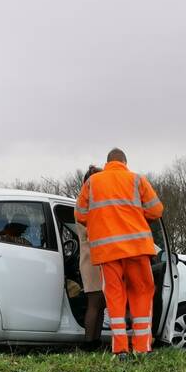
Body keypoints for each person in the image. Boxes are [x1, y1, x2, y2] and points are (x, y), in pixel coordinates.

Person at [75, 149, 164, 361]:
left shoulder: (92, 183)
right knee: (142, 292)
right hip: (137, 248)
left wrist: (101, 221)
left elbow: (80, 215)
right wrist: (135, 215)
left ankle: (120, 349)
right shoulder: (137, 180)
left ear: (107, 163)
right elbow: (156, 210)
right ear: (125, 162)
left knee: (114, 297)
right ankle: (142, 347)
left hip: (107, 251)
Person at [76, 165, 106, 351]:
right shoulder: (86, 205)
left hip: (94, 259)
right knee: (94, 303)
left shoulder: (84, 203)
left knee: (100, 304)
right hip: (92, 260)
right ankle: (88, 342)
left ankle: (95, 340)